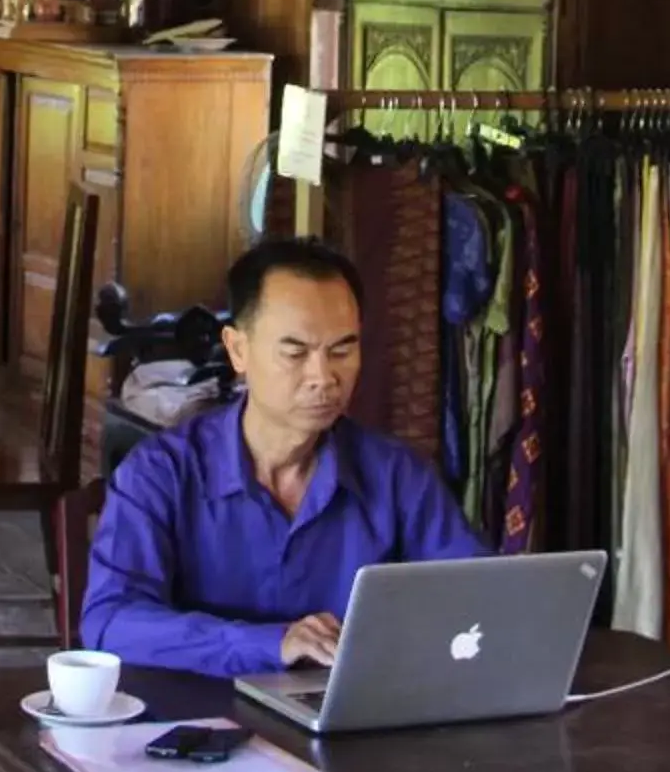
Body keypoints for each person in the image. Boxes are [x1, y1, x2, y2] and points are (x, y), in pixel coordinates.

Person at [80, 239, 483, 677]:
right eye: (295, 353)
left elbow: (478, 598)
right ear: (237, 350)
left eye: (342, 350)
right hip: (198, 723)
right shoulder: (162, 473)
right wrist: (273, 642)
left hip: (345, 723)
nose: (324, 377)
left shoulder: (396, 476)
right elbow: (111, 622)